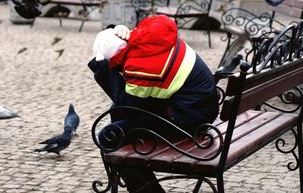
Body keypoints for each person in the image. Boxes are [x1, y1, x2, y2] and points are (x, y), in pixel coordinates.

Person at [88, 15, 219, 193]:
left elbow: (126, 105)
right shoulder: (152, 37)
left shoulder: (139, 68)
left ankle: (146, 190)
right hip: (198, 107)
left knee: (110, 135)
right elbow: (128, 106)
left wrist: (104, 67)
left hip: (188, 120)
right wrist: (120, 30)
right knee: (117, 116)